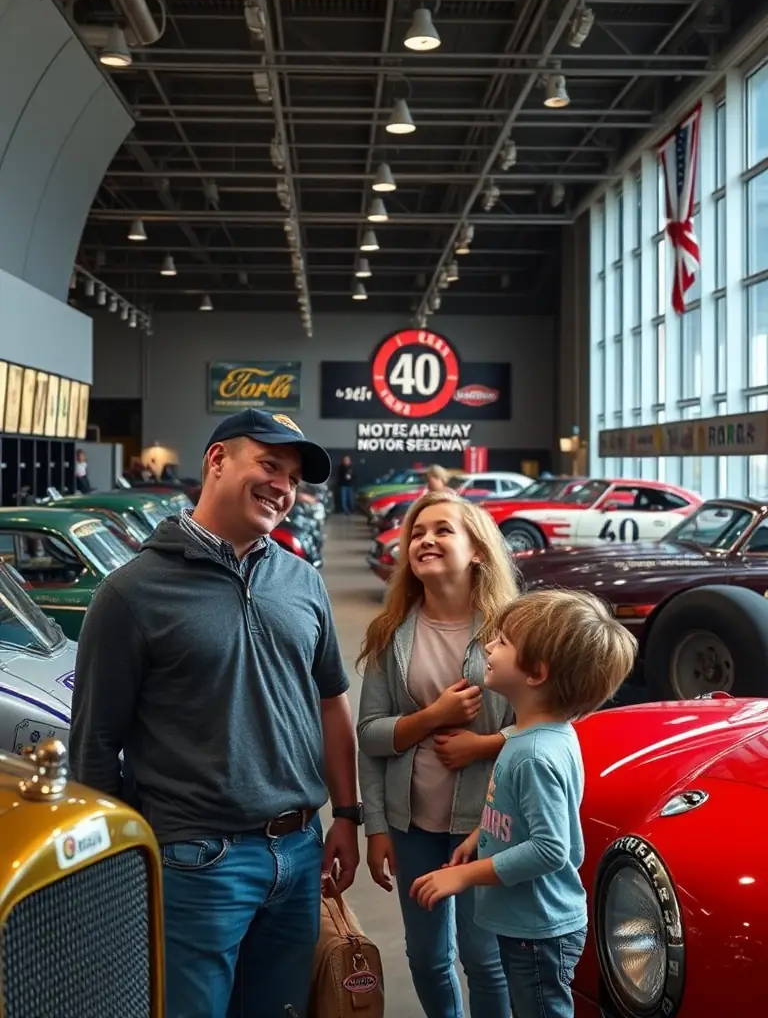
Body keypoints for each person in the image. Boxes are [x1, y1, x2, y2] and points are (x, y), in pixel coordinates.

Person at [69, 407, 362, 1018]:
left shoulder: (302, 581)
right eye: (270, 465)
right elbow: (95, 745)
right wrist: (109, 868)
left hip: (301, 851)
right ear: (217, 460)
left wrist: (347, 815)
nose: (284, 487)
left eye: (294, 479)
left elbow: (332, 703)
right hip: (196, 861)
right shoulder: (130, 593)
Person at [411, 589, 638, 1018]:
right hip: (525, 919)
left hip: (538, 927)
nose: (489, 646)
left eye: (502, 642)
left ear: (536, 672)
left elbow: (550, 849)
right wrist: (482, 836)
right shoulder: (533, 736)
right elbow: (523, 817)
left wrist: (463, 876)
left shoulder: (534, 754)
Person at [356, 490, 519, 1018]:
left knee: (483, 955)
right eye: (417, 533)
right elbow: (371, 735)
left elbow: (556, 726)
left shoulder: (514, 629)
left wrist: (484, 744)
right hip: (412, 824)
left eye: (443, 530)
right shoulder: (391, 634)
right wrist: (376, 827)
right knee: (427, 956)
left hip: (488, 821)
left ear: (477, 550)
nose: (425, 539)